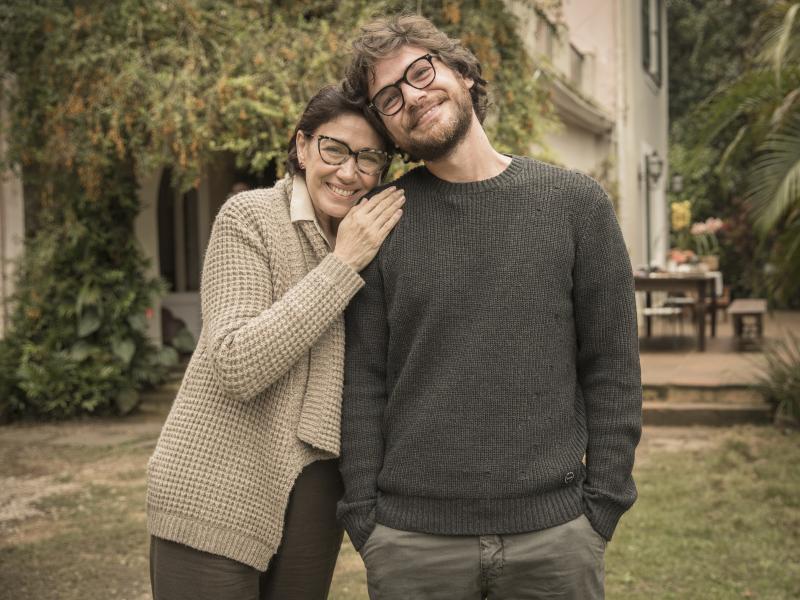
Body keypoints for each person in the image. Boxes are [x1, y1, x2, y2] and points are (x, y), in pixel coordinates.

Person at [337, 14, 642, 600]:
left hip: (555, 536)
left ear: (463, 71)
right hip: (409, 542)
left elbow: (612, 367)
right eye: (390, 98)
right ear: (389, 132)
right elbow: (362, 380)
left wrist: (601, 506)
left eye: (421, 71)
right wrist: (367, 521)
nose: (413, 97)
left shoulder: (575, 203)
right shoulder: (380, 221)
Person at [146, 84, 404, 600]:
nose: (349, 172)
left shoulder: (380, 235)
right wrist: (343, 264)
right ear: (303, 145)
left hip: (318, 482)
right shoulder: (251, 217)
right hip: (217, 478)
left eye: (369, 158)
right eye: (334, 149)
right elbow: (236, 362)